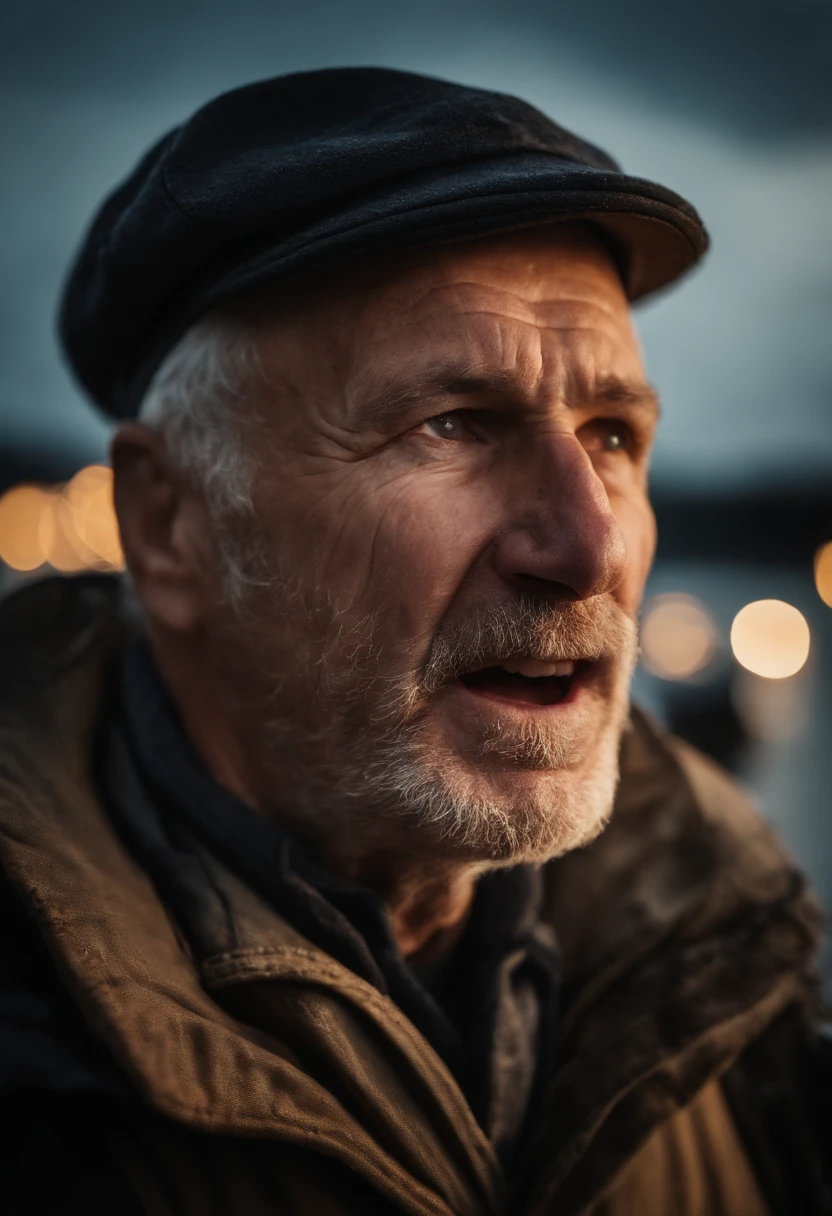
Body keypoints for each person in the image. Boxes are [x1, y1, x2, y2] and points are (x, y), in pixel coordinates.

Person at [0, 68, 828, 1215]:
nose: (586, 545)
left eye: (611, 435)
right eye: (450, 425)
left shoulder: (730, 967)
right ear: (169, 523)